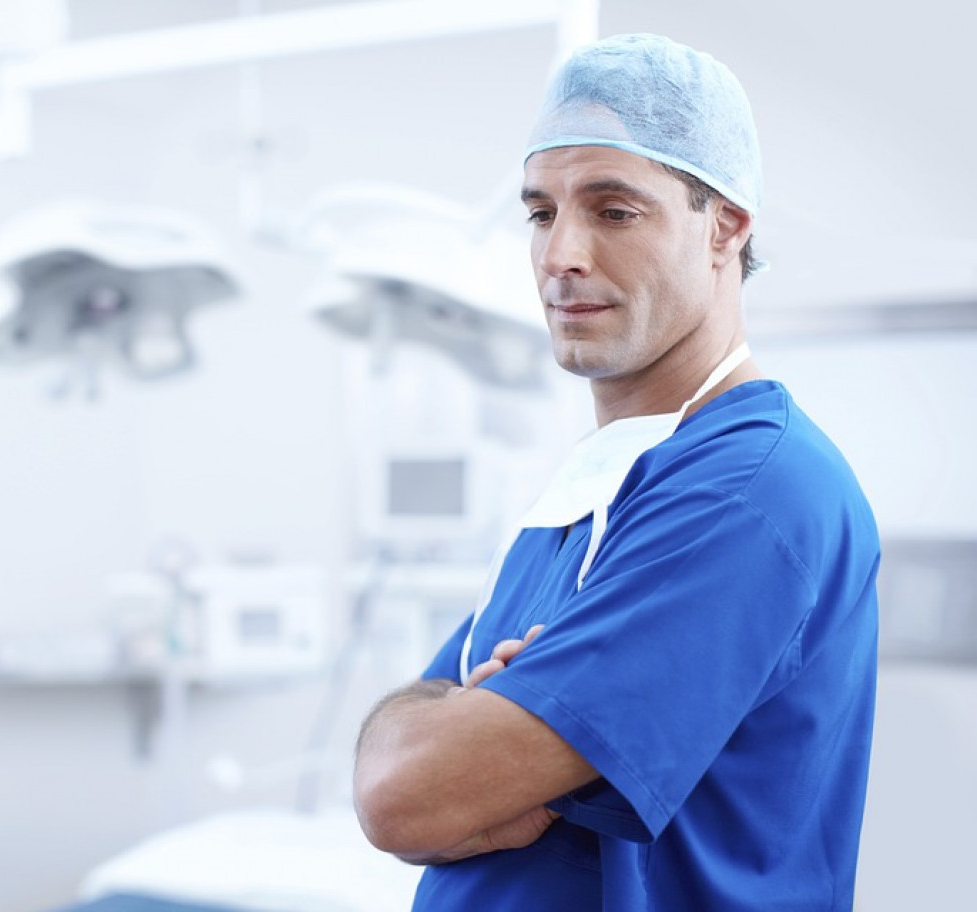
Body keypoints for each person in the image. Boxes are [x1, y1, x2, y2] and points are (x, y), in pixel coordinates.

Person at [352, 32, 879, 911]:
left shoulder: (748, 490)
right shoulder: (597, 483)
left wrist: (457, 743)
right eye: (541, 212)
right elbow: (396, 756)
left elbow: (407, 797)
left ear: (726, 226)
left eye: (614, 210)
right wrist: (433, 732)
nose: (562, 254)